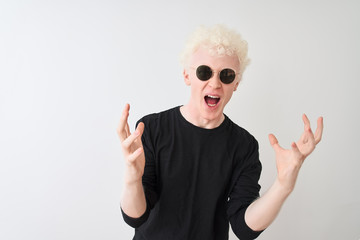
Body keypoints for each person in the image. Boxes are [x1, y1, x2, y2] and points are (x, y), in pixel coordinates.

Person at [117, 24, 324, 240]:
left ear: (236, 83)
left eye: (226, 75)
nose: (215, 83)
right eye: (204, 72)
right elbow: (135, 217)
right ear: (187, 76)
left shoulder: (244, 146)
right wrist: (132, 176)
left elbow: (244, 228)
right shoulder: (152, 129)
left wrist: (283, 185)